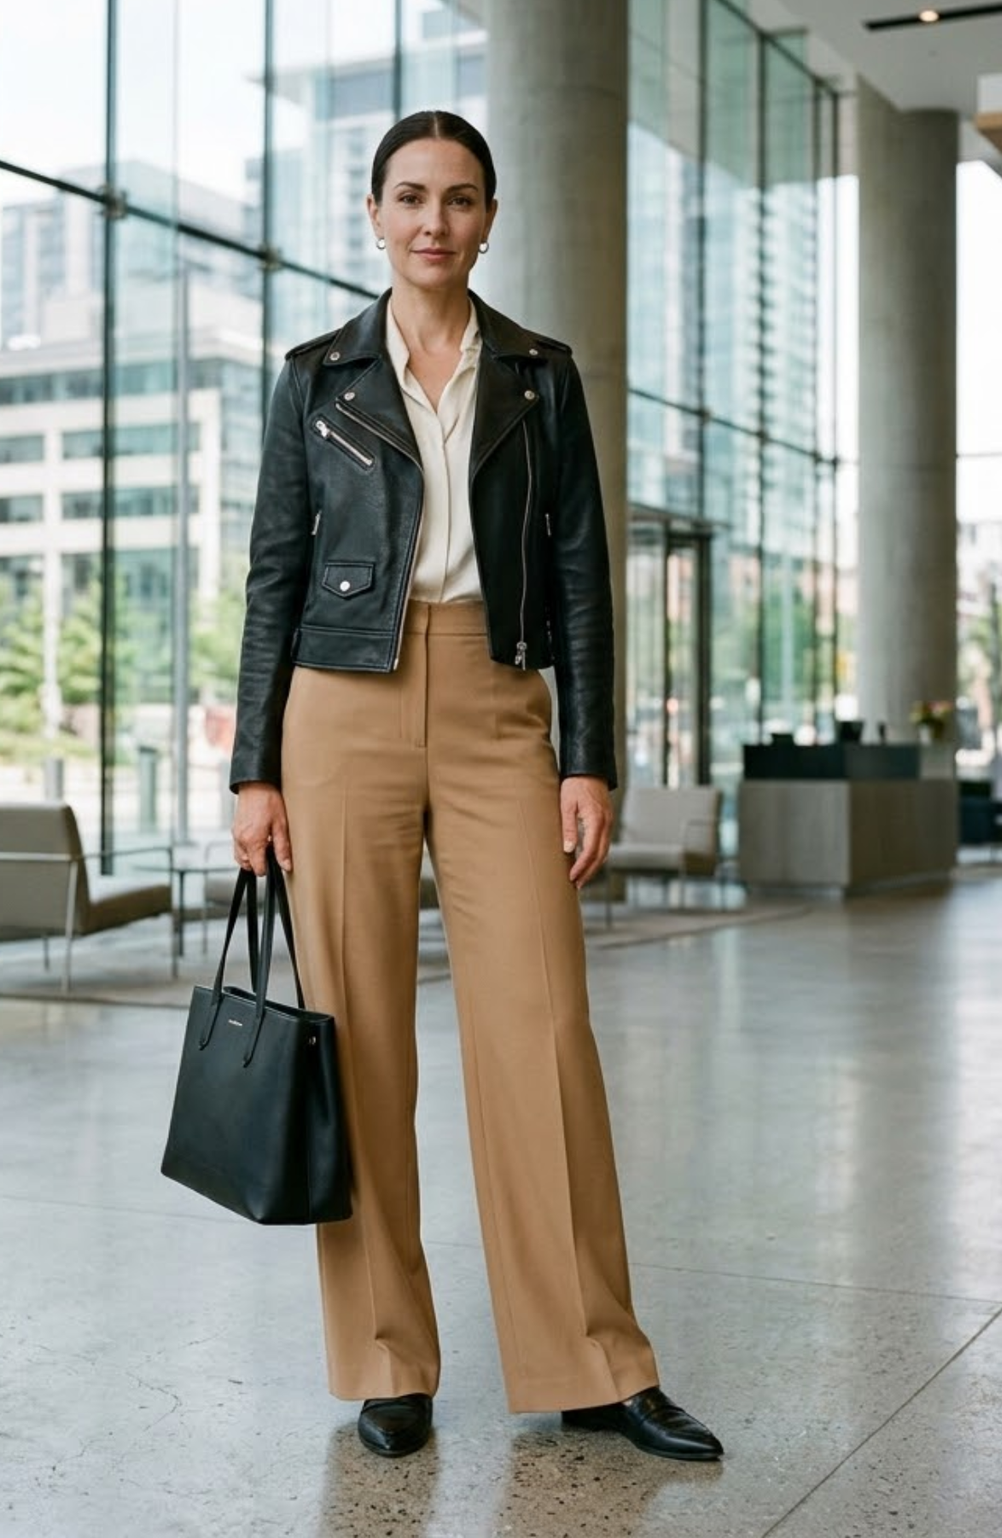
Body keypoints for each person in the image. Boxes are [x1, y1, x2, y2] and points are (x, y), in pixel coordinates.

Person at [229, 110, 723, 1463]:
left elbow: (579, 581)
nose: (434, 220)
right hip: (340, 707)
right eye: (409, 196)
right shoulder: (315, 376)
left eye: (458, 199)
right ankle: (389, 1360)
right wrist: (252, 772)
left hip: (502, 702)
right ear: (374, 214)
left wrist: (588, 756)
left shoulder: (541, 376)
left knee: (544, 1031)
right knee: (360, 1037)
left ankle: (591, 1362)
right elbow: (274, 575)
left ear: (490, 218)